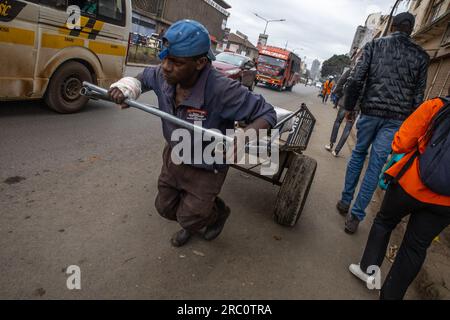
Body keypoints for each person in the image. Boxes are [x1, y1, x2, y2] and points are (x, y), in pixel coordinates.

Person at [108, 20, 277, 247]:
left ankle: (214, 214)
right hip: (176, 153)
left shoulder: (222, 89)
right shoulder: (163, 75)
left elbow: (266, 113)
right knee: (165, 207)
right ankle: (196, 214)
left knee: (189, 216)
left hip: (208, 163)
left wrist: (246, 136)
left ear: (200, 62)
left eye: (177, 62)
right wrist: (126, 87)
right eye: (165, 58)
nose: (166, 66)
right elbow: (141, 79)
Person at [348, 90, 450, 300]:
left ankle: (368, 271)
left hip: (410, 184)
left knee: (384, 222)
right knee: (416, 247)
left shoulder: (435, 106)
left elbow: (401, 143)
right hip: (445, 203)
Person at [336, 12, 429, 234]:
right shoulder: (421, 56)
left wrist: (350, 107)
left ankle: (345, 202)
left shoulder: (374, 46)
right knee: (376, 165)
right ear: (411, 30)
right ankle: (356, 217)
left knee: (359, 153)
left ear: (393, 26)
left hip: (370, 111)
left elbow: (357, 79)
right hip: (396, 120)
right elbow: (418, 97)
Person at [324, 68, 359, 157]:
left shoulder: (351, 70)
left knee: (337, 122)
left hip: (345, 101)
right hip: (355, 106)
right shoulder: (369, 75)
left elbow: (340, 83)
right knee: (347, 128)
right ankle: (337, 151)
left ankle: (331, 144)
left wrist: (339, 93)